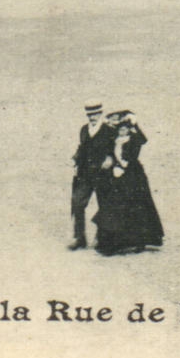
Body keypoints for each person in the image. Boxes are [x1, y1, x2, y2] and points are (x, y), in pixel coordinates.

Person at [92, 111, 163, 256]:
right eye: (120, 129)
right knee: (115, 207)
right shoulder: (115, 140)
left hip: (134, 177)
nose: (122, 131)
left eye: (125, 128)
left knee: (137, 207)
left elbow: (143, 140)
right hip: (118, 176)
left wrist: (135, 124)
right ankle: (112, 243)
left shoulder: (133, 139)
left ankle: (139, 241)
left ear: (129, 129)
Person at [68, 100, 110, 250]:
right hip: (85, 173)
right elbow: (82, 148)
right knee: (77, 202)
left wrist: (110, 158)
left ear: (100, 113)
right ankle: (79, 238)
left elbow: (115, 147)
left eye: (95, 114)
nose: (92, 118)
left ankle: (101, 238)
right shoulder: (84, 130)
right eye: (89, 115)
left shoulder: (108, 129)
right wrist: (75, 158)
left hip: (103, 174)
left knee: (105, 205)